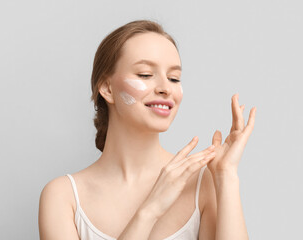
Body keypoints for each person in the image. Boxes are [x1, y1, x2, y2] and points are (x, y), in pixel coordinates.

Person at [38, 19, 256, 240]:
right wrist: (150, 210)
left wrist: (226, 176)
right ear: (107, 88)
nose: (165, 89)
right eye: (144, 75)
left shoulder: (200, 184)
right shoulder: (63, 196)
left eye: (174, 78)